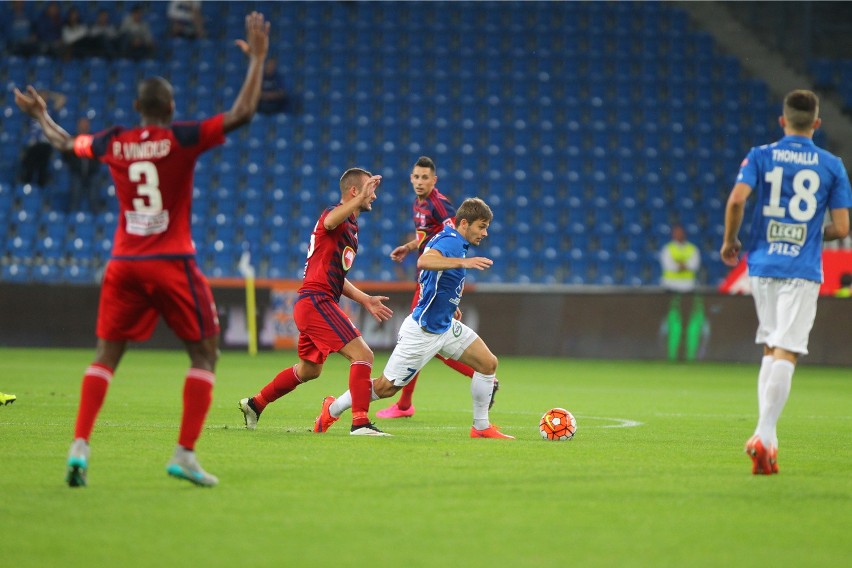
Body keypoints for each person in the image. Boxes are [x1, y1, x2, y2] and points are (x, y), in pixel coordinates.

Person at [14, 11, 271, 488]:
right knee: (205, 353)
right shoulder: (180, 137)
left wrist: (40, 115)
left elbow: (67, 143)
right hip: (171, 260)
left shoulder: (116, 141)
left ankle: (79, 447)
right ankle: (184, 454)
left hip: (124, 262)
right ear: (170, 106)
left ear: (137, 107)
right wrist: (256, 60)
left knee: (106, 355)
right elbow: (242, 115)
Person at [720, 89, 852, 475]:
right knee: (787, 351)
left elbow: (735, 201)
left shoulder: (761, 155)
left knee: (771, 346)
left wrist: (730, 241)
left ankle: (769, 440)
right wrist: (811, 233)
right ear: (817, 123)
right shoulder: (832, 165)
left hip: (761, 266)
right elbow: (843, 226)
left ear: (782, 121)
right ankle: (762, 433)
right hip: (801, 270)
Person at [315, 197, 513, 439]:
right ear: (464, 223)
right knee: (386, 388)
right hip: (423, 331)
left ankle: (481, 428)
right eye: (481, 226)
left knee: (488, 364)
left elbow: (435, 278)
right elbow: (424, 261)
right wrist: (465, 262)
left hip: (445, 325)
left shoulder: (453, 240)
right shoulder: (452, 243)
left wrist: (451, 303)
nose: (485, 232)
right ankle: (332, 408)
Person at [238, 168, 394, 436]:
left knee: (310, 369)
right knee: (363, 355)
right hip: (316, 301)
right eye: (370, 190)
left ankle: (256, 403)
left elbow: (338, 278)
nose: (374, 196)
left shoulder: (352, 227)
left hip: (314, 302)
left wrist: (365, 299)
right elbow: (330, 221)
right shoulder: (334, 215)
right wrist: (356, 202)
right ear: (354, 191)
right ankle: (359, 423)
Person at [374, 156, 496, 420]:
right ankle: (405, 403)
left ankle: (405, 403)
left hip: (435, 274)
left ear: (434, 180)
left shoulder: (440, 205)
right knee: (431, 340)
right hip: (428, 275)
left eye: (425, 177)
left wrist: (454, 291)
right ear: (411, 178)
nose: (420, 182)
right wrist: (409, 247)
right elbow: (426, 236)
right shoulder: (418, 204)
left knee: (428, 336)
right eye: (416, 177)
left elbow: (451, 237)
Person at [659, 223, 704, 361]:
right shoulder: (668, 249)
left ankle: (687, 354)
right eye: (676, 232)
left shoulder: (692, 249)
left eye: (680, 232)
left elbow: (694, 265)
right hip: (670, 289)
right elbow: (669, 266)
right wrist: (684, 265)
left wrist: (679, 265)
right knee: (671, 322)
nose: (678, 235)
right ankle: (669, 353)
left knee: (687, 323)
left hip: (687, 289)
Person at [19, 89, 66, 188]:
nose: (43, 97)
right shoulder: (32, 110)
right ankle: (26, 190)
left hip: (45, 144)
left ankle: (40, 190)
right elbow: (22, 99)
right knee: (28, 168)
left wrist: (50, 93)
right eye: (41, 95)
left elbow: (62, 99)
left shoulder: (51, 111)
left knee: (42, 169)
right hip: (34, 144)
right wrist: (34, 96)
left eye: (44, 96)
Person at [62, 117, 104, 212]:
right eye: (81, 125)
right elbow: (65, 154)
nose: (83, 128)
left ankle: (96, 223)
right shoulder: (72, 140)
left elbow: (100, 154)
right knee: (74, 199)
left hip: (92, 173)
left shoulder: (94, 140)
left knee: (94, 199)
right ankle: (72, 222)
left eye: (85, 125)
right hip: (77, 173)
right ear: (78, 127)